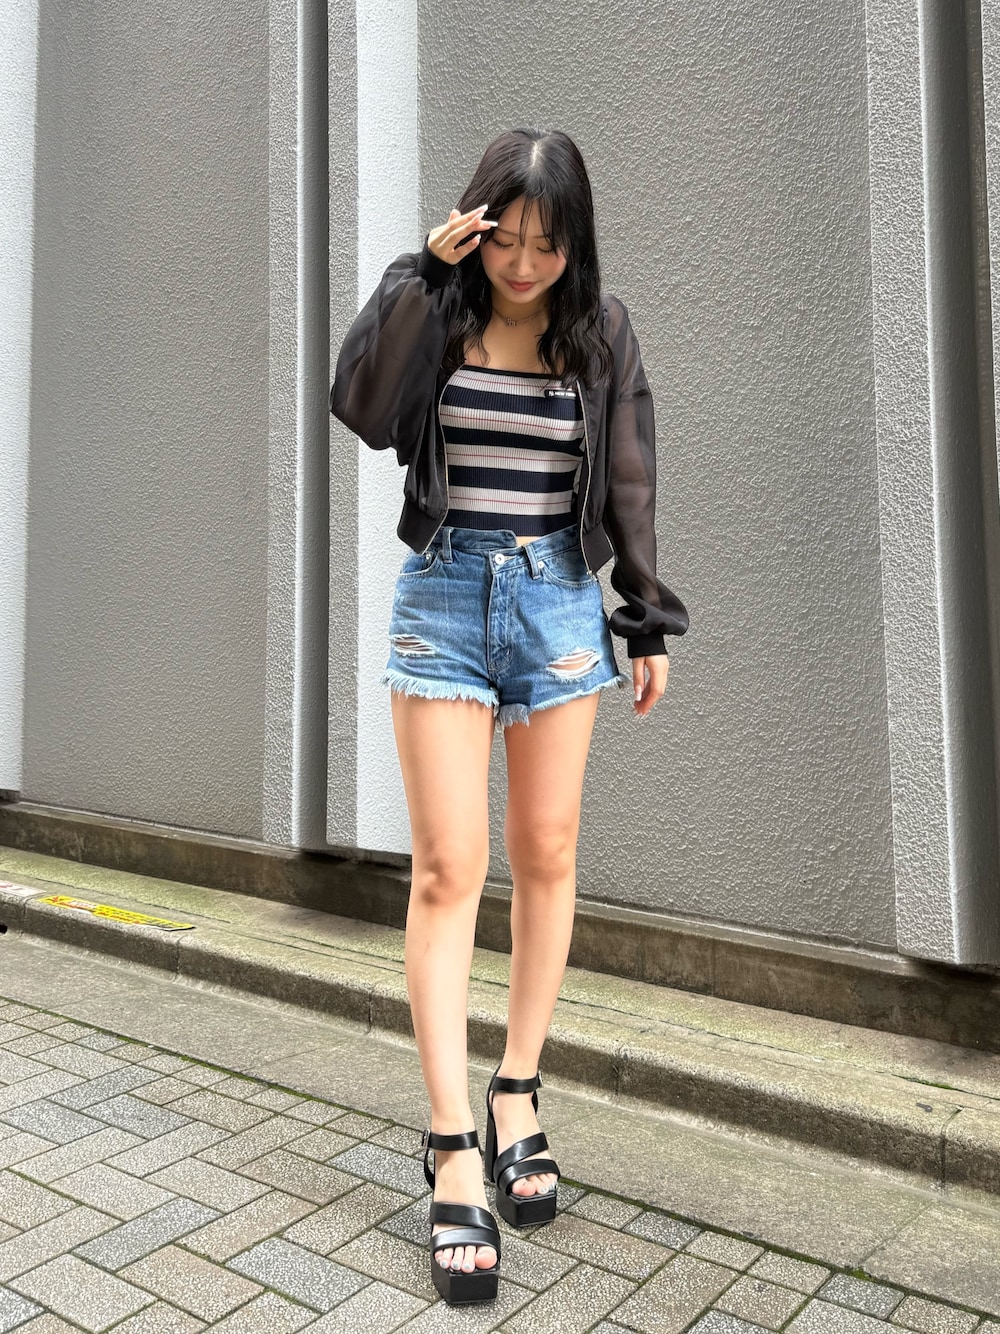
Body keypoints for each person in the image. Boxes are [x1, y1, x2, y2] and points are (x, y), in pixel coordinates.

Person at [331, 127, 688, 1306]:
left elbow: (628, 476)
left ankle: (517, 1087)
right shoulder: (435, 307)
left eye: (548, 244)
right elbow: (361, 407)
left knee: (547, 852)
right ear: (475, 226)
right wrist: (421, 273)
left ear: (573, 243)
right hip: (443, 598)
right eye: (506, 241)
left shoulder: (602, 333)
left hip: (558, 607)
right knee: (449, 867)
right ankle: (450, 1145)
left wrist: (644, 618)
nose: (524, 265)